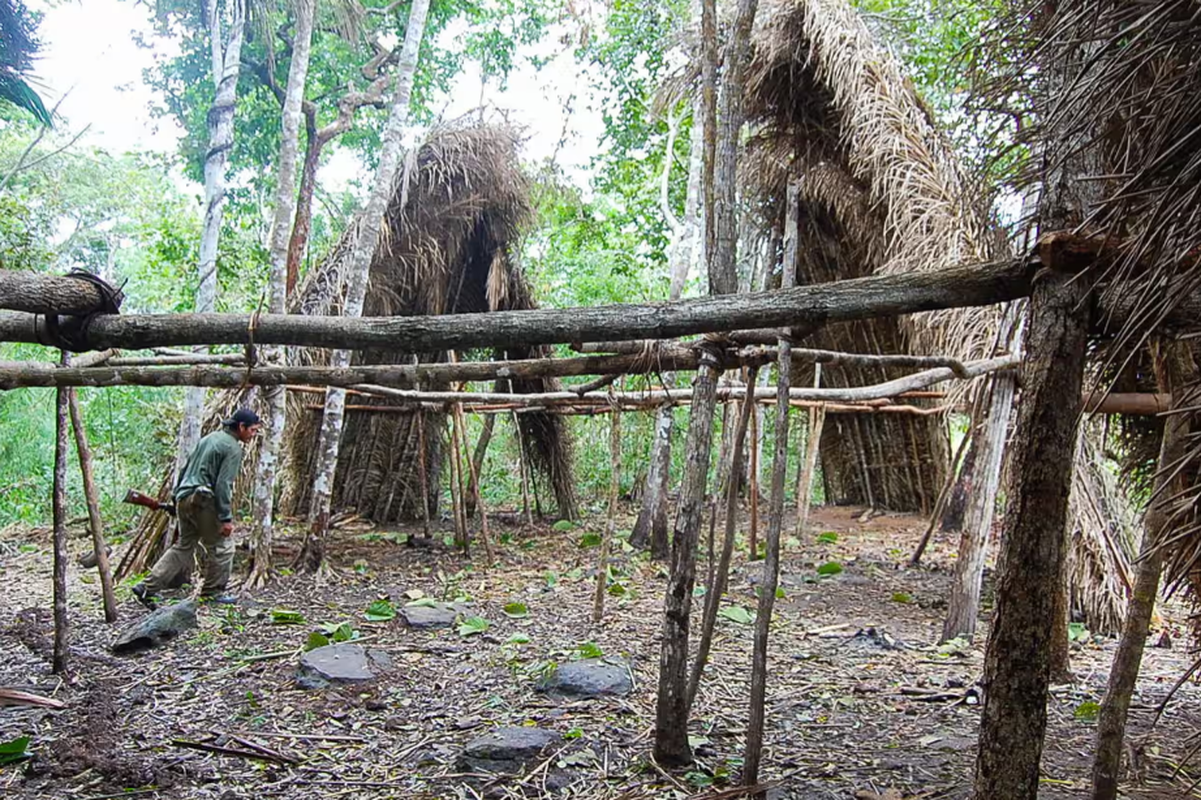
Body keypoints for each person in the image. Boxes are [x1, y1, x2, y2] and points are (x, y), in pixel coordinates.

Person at [132, 408, 261, 609]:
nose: (253, 435)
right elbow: (223, 484)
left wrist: (176, 499)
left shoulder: (209, 438)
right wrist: (226, 518)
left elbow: (185, 469)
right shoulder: (233, 448)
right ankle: (212, 593)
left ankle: (147, 586)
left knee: (184, 546)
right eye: (252, 430)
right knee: (223, 547)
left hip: (184, 496)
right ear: (241, 427)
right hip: (203, 500)